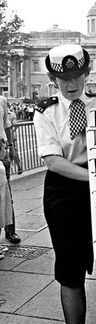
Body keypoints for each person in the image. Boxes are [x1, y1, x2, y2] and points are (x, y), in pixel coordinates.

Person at [33, 43, 96, 324]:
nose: (71, 84)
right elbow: (53, 161)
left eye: (77, 75)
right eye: (63, 78)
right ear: (53, 79)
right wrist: (95, 178)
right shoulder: (45, 112)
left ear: (87, 74)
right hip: (65, 192)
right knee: (70, 271)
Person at [0, 95, 21, 244]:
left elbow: (6, 125)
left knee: (6, 192)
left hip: (1, 151)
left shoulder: (1, 100)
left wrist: (12, 147)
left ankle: (10, 230)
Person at [8, 106, 23, 174]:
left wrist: (11, 132)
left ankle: (19, 166)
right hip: (3, 136)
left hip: (10, 137)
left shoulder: (11, 114)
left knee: (14, 152)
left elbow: (15, 124)